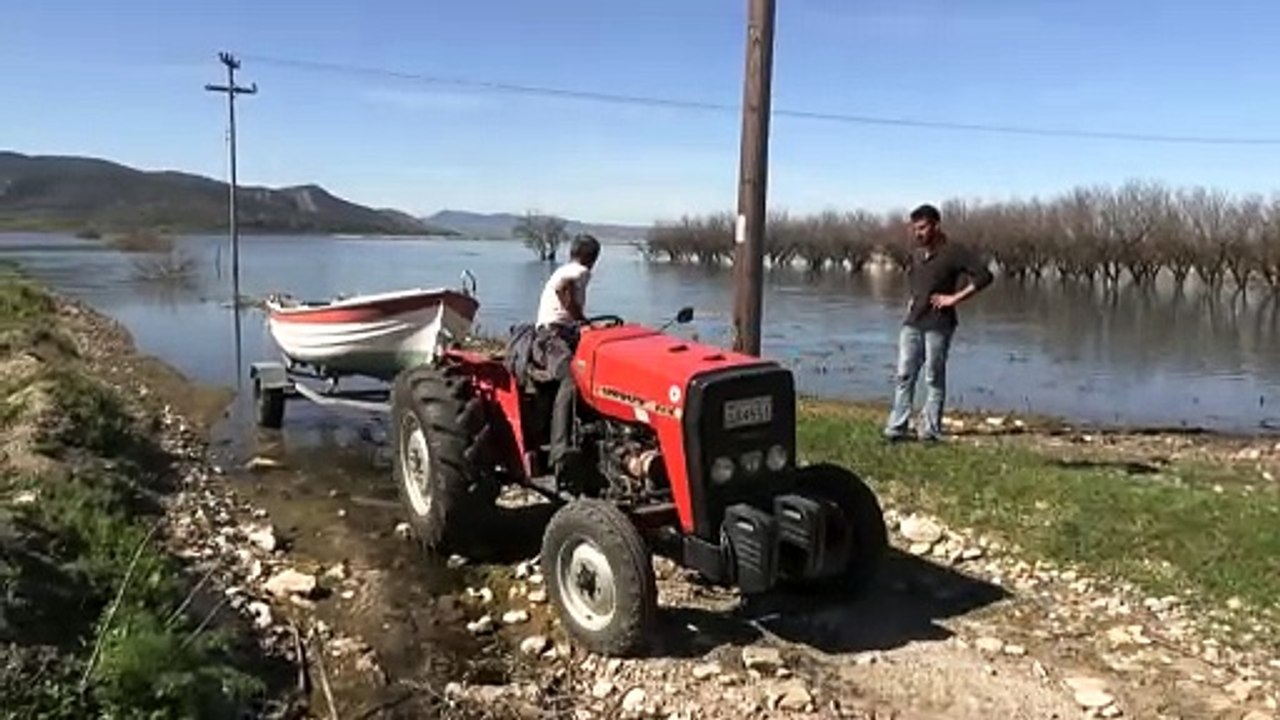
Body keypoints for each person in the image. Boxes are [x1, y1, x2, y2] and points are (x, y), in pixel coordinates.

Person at [884, 204, 993, 442]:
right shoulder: (915, 254)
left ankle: (930, 430)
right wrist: (912, 299)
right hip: (912, 323)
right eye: (914, 229)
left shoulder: (954, 252)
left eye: (922, 228)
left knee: (933, 378)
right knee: (904, 375)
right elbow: (915, 279)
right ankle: (896, 428)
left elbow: (985, 276)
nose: (918, 233)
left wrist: (954, 298)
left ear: (936, 225)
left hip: (939, 324)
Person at [535, 233, 601, 475]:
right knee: (572, 377)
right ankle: (560, 451)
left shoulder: (565, 269)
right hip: (552, 336)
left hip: (565, 332)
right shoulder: (579, 272)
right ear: (592, 258)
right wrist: (581, 319)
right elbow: (564, 290)